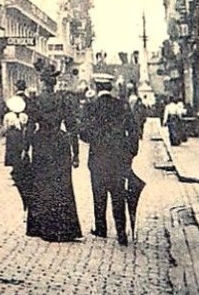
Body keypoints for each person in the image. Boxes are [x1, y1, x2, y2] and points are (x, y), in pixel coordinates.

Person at [80, 73, 139, 245]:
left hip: (97, 157)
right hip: (118, 158)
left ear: (97, 87)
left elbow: (83, 132)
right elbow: (133, 131)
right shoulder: (122, 105)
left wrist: (95, 139)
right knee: (118, 193)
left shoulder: (91, 107)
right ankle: (121, 232)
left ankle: (101, 228)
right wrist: (131, 152)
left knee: (99, 194)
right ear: (111, 87)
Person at [25, 65, 82, 242]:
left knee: (41, 184)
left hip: (41, 143)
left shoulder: (36, 101)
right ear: (55, 83)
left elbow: (30, 126)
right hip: (59, 143)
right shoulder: (63, 100)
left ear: (42, 83)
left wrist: (25, 149)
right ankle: (65, 227)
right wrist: (76, 153)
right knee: (62, 184)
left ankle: (42, 227)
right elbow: (72, 126)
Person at [3, 94, 33, 214]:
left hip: (12, 137)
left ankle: (16, 169)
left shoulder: (8, 116)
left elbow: (5, 128)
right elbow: (26, 126)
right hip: (21, 137)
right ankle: (21, 166)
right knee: (21, 152)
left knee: (13, 153)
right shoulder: (24, 116)